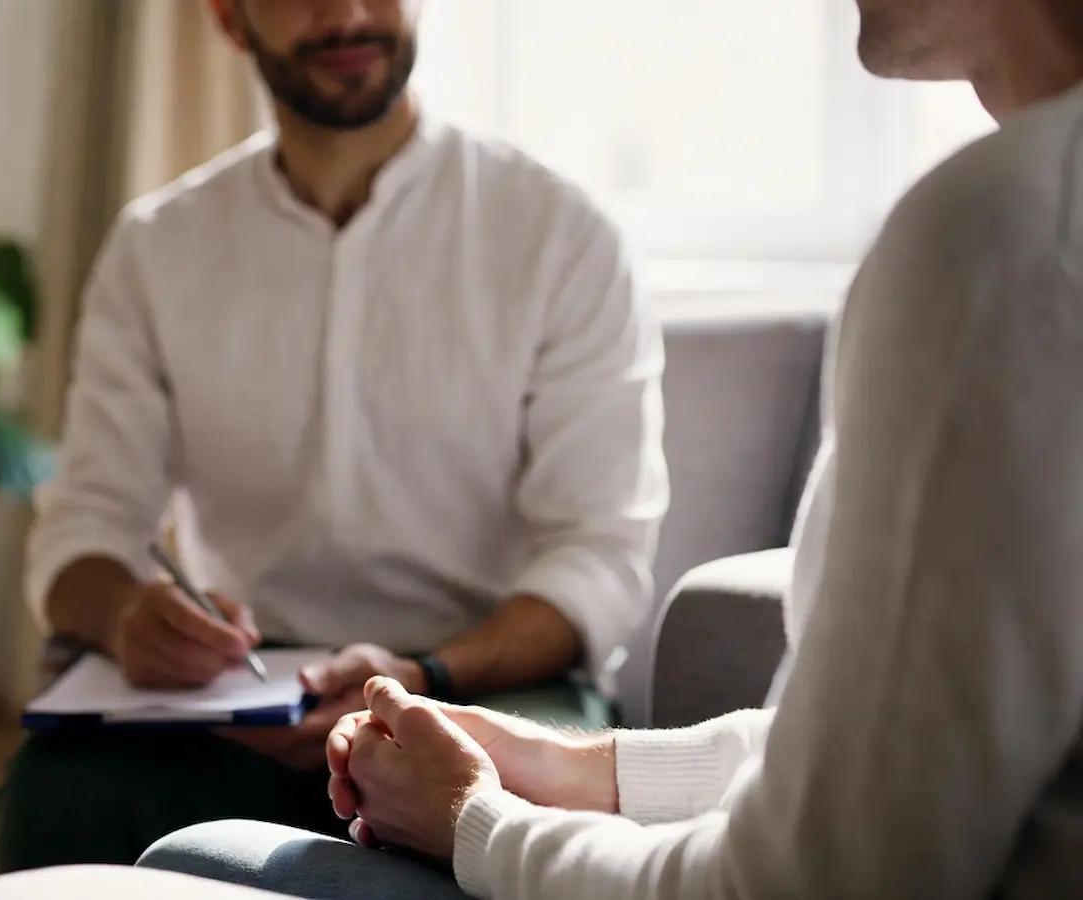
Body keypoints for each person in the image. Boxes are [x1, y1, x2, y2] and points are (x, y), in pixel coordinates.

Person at [138, 0, 1083, 897]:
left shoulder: (1002, 237)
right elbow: (887, 755)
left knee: (195, 862)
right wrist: (564, 765)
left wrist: (476, 820)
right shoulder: (1022, 220)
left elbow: (813, 882)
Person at [0, 0, 669, 875]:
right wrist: (124, 615)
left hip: (485, 688)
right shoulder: (158, 247)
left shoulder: (562, 234)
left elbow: (598, 557)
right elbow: (83, 526)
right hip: (241, 700)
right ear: (230, 19)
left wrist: (424, 677)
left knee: (537, 816)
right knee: (57, 799)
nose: (346, 13)